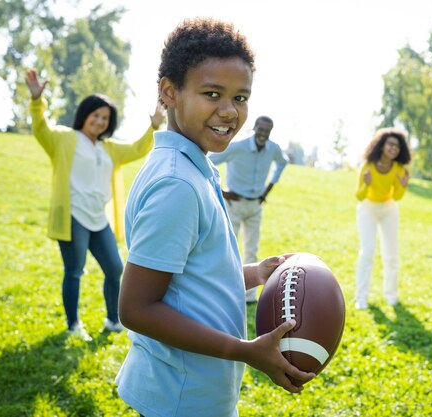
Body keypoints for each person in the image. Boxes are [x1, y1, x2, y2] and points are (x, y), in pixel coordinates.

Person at [115, 18, 313, 417]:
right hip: (182, 397)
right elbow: (136, 308)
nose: (229, 111)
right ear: (169, 92)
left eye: (240, 98)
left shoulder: (190, 167)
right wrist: (244, 351)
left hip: (186, 388)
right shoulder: (178, 185)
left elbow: (190, 279)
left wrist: (255, 273)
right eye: (212, 94)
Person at [25, 68, 165, 341]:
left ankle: (113, 320)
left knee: (115, 268)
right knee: (74, 271)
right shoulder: (64, 139)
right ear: (85, 115)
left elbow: (138, 149)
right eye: (96, 115)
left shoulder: (109, 148)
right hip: (73, 216)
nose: (100, 121)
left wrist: (154, 126)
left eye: (105, 118)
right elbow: (40, 129)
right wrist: (36, 101)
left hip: (99, 218)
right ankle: (73, 324)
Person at [209, 116, 288, 303]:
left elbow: (282, 163)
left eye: (267, 131)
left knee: (252, 248)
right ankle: (221, 290)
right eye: (260, 129)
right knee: (227, 247)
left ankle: (248, 296)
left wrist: (268, 189)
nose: (263, 134)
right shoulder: (237, 147)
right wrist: (221, 192)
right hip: (234, 203)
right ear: (254, 128)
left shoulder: (273, 149)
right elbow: (209, 161)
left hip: (255, 205)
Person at [354, 128, 411, 309]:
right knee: (367, 253)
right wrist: (367, 184)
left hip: (389, 209)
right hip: (368, 209)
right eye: (391, 144)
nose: (394, 148)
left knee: (391, 255)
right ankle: (361, 298)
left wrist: (403, 186)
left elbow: (398, 196)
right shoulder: (367, 166)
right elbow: (359, 196)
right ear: (382, 145)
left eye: (397, 146)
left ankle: (391, 296)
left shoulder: (398, 169)